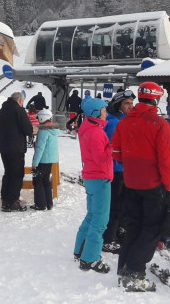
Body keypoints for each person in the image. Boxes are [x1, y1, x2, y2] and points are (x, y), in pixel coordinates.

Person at [112, 81, 170, 292]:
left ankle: (124, 268)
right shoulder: (159, 123)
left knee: (134, 226)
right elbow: (165, 159)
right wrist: (167, 185)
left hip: (131, 182)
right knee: (152, 228)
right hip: (153, 184)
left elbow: (116, 152)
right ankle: (134, 273)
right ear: (156, 99)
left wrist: (132, 165)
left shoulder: (125, 122)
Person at [73, 97, 111, 274]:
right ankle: (90, 259)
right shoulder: (96, 132)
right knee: (100, 220)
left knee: (91, 215)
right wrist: (113, 148)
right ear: (96, 113)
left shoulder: (87, 127)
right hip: (99, 178)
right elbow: (100, 158)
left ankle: (80, 250)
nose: (106, 114)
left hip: (91, 177)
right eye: (104, 111)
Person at [101, 89, 135, 254]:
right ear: (118, 105)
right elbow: (113, 148)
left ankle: (118, 232)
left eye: (131, 103)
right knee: (115, 205)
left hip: (123, 169)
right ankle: (108, 239)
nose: (130, 106)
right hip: (116, 170)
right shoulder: (114, 122)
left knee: (122, 205)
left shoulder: (121, 119)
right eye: (127, 103)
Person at [0, 92, 34, 212]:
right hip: (16, 147)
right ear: (20, 100)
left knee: (8, 173)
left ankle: (5, 199)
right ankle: (13, 202)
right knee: (17, 174)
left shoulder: (2, 110)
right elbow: (28, 128)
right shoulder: (19, 110)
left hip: (3, 146)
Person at [31, 109, 58, 211]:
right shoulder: (53, 130)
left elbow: (40, 148)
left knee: (38, 181)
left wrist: (34, 163)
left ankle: (40, 204)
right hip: (50, 159)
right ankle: (48, 203)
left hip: (42, 160)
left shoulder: (43, 131)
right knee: (46, 181)